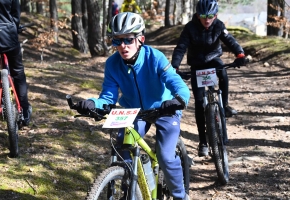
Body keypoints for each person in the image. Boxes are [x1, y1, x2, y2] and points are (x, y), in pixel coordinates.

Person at [76, 12, 190, 200]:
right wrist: (92, 104)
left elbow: (176, 83)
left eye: (128, 40)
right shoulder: (112, 64)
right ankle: (132, 190)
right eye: (117, 41)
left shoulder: (155, 57)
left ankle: (180, 196)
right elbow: (108, 97)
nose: (122, 46)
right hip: (133, 111)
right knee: (123, 146)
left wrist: (179, 99)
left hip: (164, 108)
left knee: (165, 156)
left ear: (140, 39)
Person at [171, 0, 247, 157]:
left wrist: (240, 53)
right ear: (198, 15)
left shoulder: (218, 25)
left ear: (216, 15)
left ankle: (224, 105)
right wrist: (175, 66)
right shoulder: (190, 28)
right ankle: (203, 142)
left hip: (213, 59)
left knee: (223, 73)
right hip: (197, 64)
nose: (207, 19)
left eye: (210, 16)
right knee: (199, 103)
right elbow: (181, 48)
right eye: (203, 16)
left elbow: (230, 40)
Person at [0, 0, 32, 126]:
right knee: (18, 73)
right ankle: (24, 111)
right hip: (9, 37)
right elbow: (16, 15)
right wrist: (14, 28)